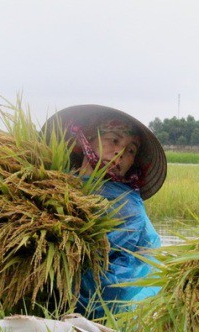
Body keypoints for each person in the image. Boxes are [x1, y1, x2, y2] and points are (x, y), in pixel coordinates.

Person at [44, 104, 167, 318]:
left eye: (130, 150)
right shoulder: (53, 184)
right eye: (114, 140)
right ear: (88, 139)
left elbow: (115, 279)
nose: (120, 153)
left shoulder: (127, 206)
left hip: (103, 317)